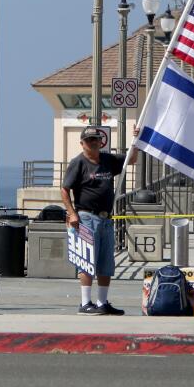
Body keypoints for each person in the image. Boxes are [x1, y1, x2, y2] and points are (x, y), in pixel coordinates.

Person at [60, 126, 139, 315]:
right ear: (82, 143)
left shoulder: (108, 159)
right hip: (87, 217)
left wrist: (135, 141)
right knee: (86, 260)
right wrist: (72, 213)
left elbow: (132, 159)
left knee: (105, 262)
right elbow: (65, 189)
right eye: (89, 140)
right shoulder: (78, 163)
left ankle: (102, 302)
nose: (93, 143)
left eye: (96, 139)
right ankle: (85, 302)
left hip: (106, 218)